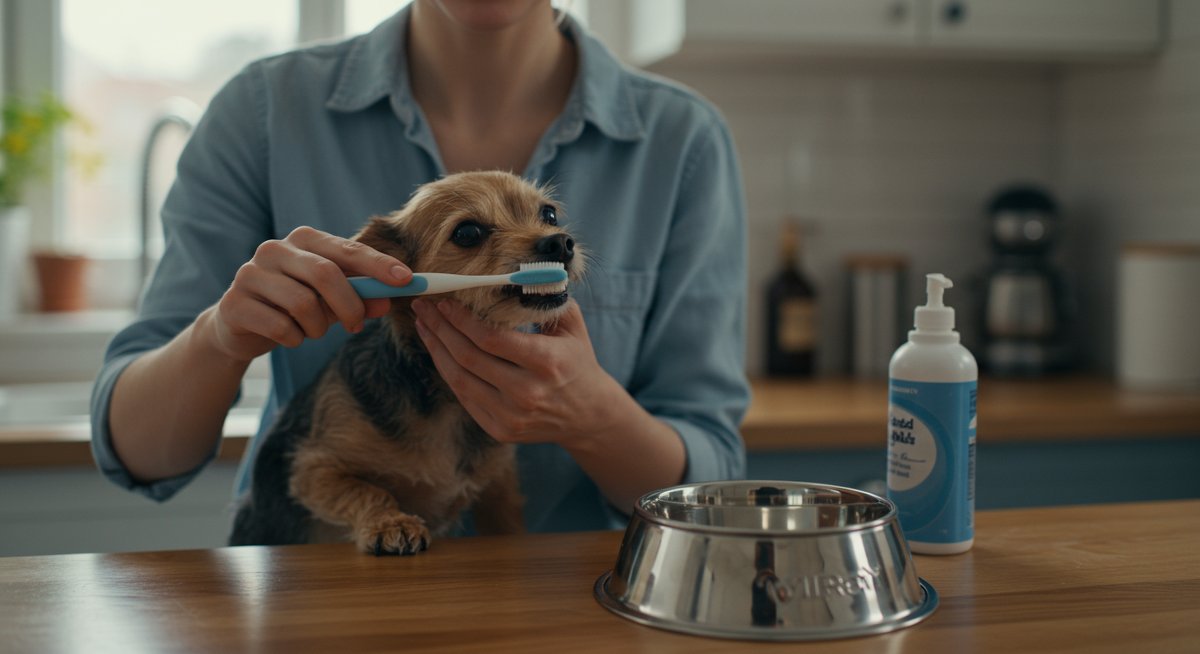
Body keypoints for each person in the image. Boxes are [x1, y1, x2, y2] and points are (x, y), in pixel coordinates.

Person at [90, 0, 749, 533]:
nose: (545, 239)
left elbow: (711, 488)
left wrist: (595, 418)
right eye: (469, 234)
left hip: (561, 610)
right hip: (311, 605)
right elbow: (139, 454)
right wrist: (217, 337)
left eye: (548, 223)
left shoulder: (683, 143)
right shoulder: (262, 113)